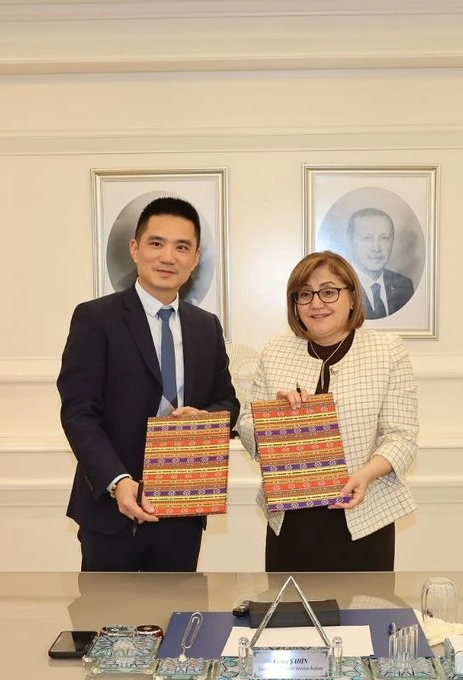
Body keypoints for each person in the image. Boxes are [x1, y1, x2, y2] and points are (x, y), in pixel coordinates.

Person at [58, 197, 239, 572]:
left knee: (179, 609)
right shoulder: (95, 318)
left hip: (184, 507)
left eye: (182, 247)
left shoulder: (206, 326)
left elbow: (227, 402)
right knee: (106, 611)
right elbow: (78, 412)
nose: (168, 257)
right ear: (135, 249)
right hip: (111, 511)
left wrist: (203, 417)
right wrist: (118, 481)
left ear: (195, 258)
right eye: (157, 243)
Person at [236, 251, 418, 572]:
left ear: (352, 297)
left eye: (329, 291)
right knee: (289, 605)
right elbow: (247, 425)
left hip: (364, 517)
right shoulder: (276, 350)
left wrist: (365, 474)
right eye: (305, 294)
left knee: (365, 605)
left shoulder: (387, 350)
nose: (316, 303)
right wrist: (274, 417)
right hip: (290, 523)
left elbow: (401, 437)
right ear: (295, 304)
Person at [344, 208, 414, 319]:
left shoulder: (404, 286)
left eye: (384, 238)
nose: (376, 248)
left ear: (392, 241)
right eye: (367, 238)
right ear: (350, 241)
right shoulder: (338, 287)